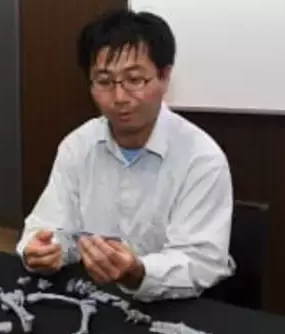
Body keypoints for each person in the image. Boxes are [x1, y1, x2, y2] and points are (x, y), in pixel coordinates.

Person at [17, 9, 235, 302]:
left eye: (134, 79)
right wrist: (43, 249)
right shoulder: (78, 146)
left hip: (174, 307)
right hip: (94, 298)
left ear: (164, 77)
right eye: (104, 81)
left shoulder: (202, 159)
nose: (119, 98)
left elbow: (201, 262)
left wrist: (138, 272)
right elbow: (51, 227)